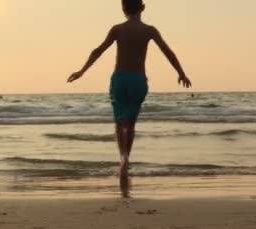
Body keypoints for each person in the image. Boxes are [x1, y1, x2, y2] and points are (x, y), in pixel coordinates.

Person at [67, 0, 192, 191]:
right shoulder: (150, 30)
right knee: (131, 124)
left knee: (119, 122)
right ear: (142, 8)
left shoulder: (117, 29)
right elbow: (168, 52)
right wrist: (181, 73)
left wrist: (82, 71)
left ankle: (122, 158)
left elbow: (98, 51)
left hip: (120, 80)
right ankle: (128, 158)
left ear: (123, 9)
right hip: (138, 80)